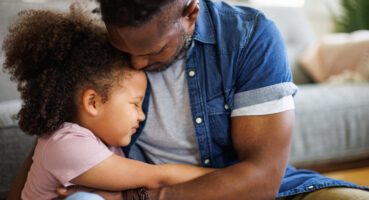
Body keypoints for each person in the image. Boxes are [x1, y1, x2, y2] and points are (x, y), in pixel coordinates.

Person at [7, 0, 369, 200]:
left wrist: (142, 198)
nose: (135, 62)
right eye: (123, 48)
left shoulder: (249, 37)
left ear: (190, 13)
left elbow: (261, 183)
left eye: (154, 50)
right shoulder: (98, 50)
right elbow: (59, 131)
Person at [2, 8, 214, 200]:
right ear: (93, 102)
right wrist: (230, 178)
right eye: (136, 103)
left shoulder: (100, 140)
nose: (142, 116)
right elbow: (159, 177)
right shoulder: (66, 146)